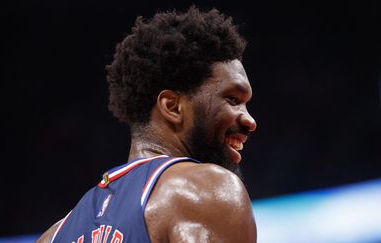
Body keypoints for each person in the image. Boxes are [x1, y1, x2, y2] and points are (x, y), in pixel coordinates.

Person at [37, 6, 257, 243]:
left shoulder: (52, 236)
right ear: (172, 107)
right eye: (232, 100)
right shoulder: (206, 191)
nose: (250, 121)